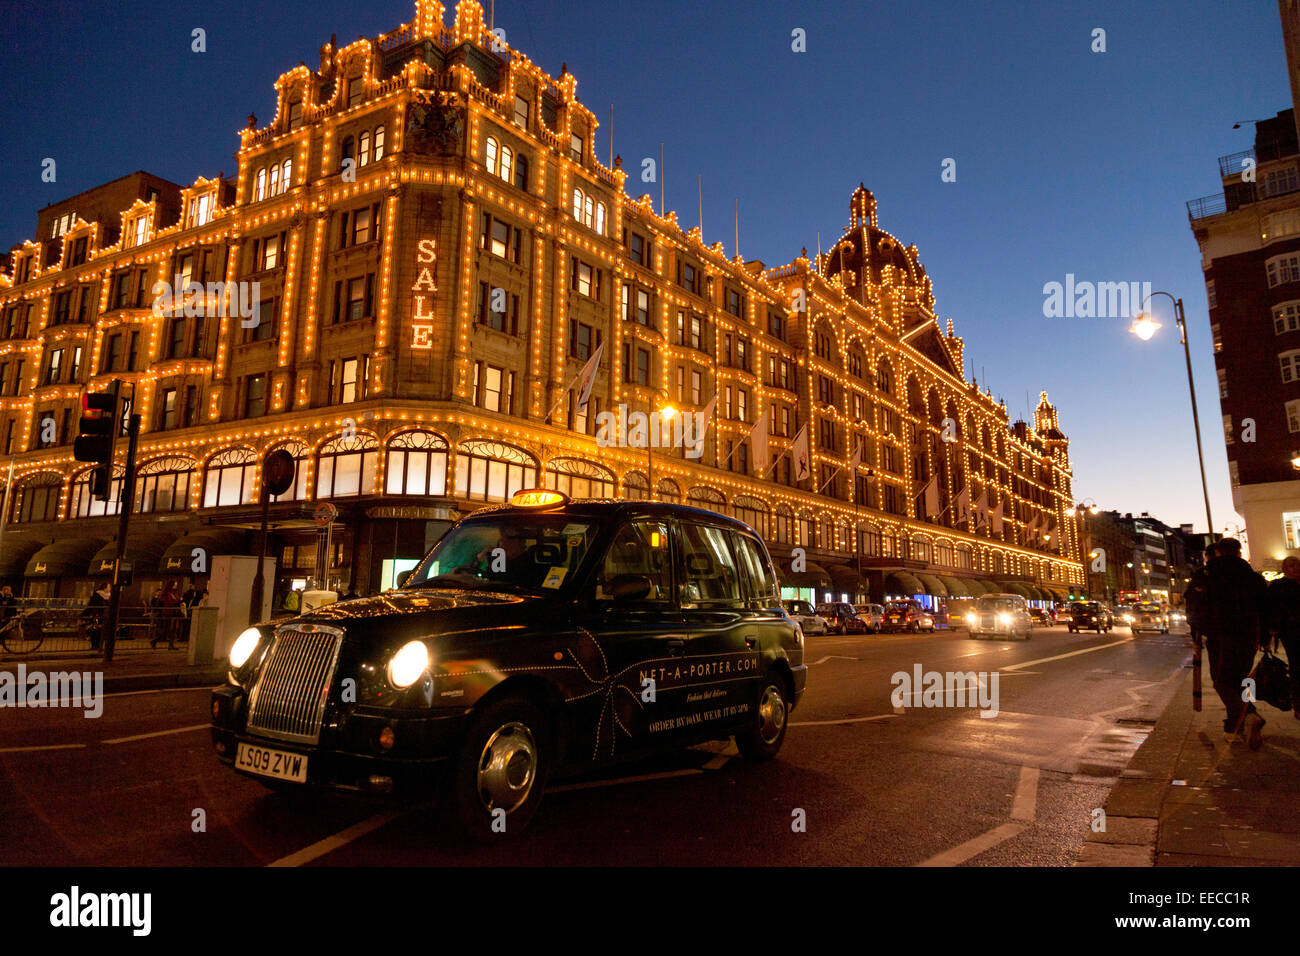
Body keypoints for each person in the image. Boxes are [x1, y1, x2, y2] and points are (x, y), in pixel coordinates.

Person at [1204, 538, 1269, 748]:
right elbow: (1265, 607)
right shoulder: (1253, 577)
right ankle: (1236, 726)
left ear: (1219, 553)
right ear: (1239, 552)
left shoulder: (1208, 574)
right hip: (1249, 634)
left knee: (1221, 680)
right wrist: (1266, 637)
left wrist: (1199, 632)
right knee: (1242, 679)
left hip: (1221, 634)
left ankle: (1247, 716)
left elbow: (1196, 607)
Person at [1267, 555, 1300, 720]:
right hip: (1291, 630)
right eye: (1291, 566)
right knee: (1296, 665)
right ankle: (1298, 702)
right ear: (1285, 569)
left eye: (1296, 566)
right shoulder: (1279, 586)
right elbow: (1272, 609)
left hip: (1290, 629)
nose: (1295, 569)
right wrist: (1273, 628)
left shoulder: (1279, 586)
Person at [82, 582, 111, 650]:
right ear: (105, 588)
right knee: (95, 630)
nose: (110, 588)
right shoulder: (97, 594)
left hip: (105, 616)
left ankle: (98, 645)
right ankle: (94, 645)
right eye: (109, 587)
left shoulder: (110, 596)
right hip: (98, 615)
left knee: (101, 631)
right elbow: (92, 605)